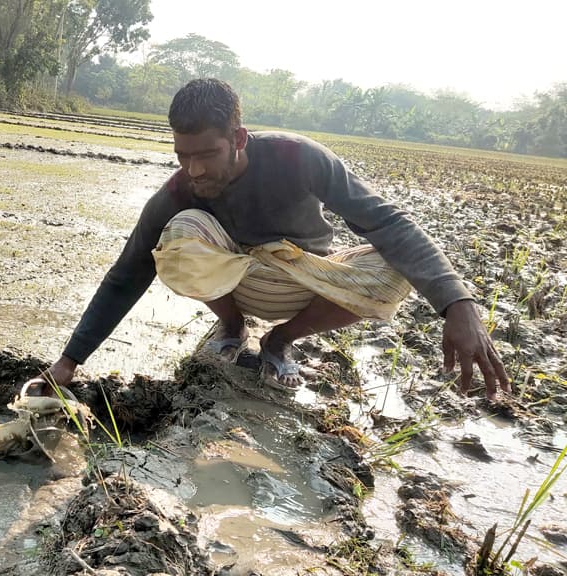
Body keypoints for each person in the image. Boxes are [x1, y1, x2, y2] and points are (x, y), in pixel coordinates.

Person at [29, 78, 511, 400]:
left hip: (304, 279)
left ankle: (279, 341)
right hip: (233, 279)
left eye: (207, 154)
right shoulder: (179, 190)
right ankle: (234, 327)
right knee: (176, 234)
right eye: (182, 155)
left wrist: (457, 304)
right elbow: (127, 273)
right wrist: (68, 363)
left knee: (392, 272)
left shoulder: (298, 157)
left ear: (238, 138)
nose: (194, 169)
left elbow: (389, 222)